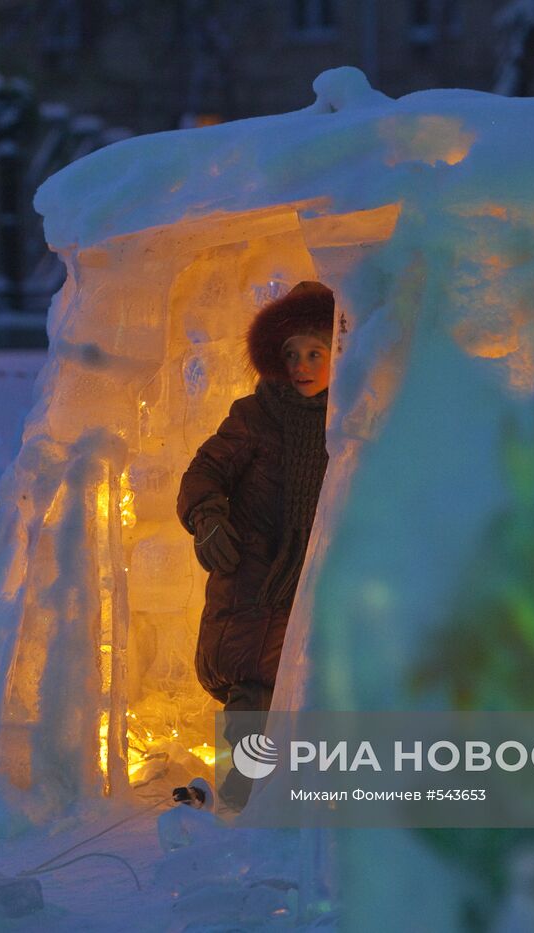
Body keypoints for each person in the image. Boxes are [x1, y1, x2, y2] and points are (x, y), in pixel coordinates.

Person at [177, 281, 334, 805]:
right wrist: (208, 519)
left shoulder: (354, 420)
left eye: (315, 351)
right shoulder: (255, 415)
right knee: (251, 693)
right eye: (290, 353)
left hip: (318, 581)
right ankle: (237, 808)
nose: (301, 366)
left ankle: (303, 813)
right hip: (254, 579)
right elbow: (205, 472)